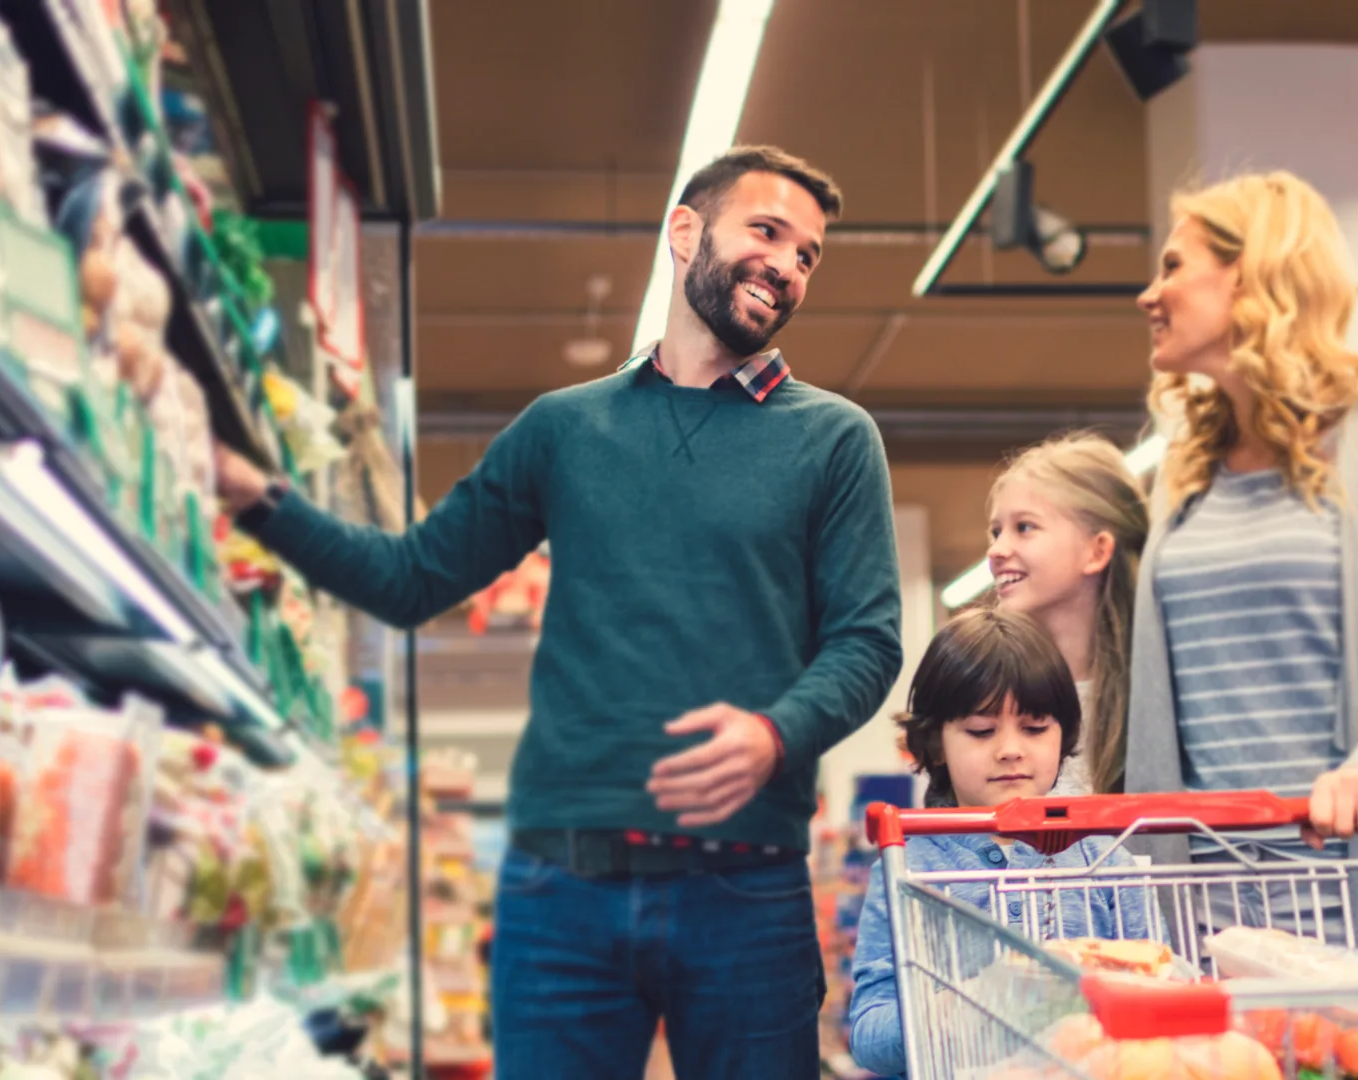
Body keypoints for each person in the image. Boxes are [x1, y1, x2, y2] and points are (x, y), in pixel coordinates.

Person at [216, 145, 903, 1079]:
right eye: (768, 232)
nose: (787, 264)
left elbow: (866, 643)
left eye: (809, 255)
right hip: (561, 889)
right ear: (686, 231)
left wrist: (776, 736)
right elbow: (410, 579)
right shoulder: (564, 428)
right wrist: (258, 498)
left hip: (745, 886)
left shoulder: (834, 440)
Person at [1125, 171, 1358, 925]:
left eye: (1172, 266)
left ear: (1253, 271)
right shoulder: (1182, 476)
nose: (1147, 295)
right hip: (1205, 908)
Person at [847, 608, 1158, 1079]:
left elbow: (1163, 991)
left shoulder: (1107, 859)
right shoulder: (908, 870)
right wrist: (967, 1007)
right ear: (934, 744)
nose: (1010, 748)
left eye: (1034, 728)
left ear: (1064, 734)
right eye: (981, 730)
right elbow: (870, 1034)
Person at [984, 433, 1149, 795]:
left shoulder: (1151, 695)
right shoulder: (986, 691)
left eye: (1024, 527)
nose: (996, 549)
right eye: (995, 531)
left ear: (1096, 551)